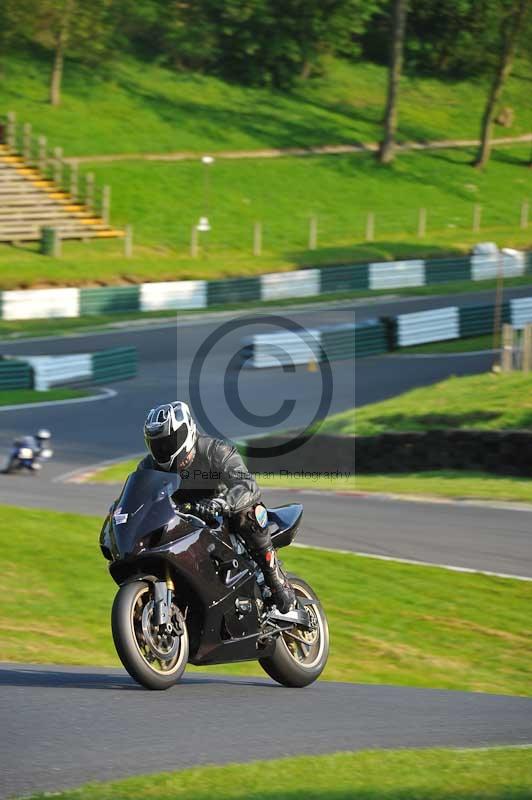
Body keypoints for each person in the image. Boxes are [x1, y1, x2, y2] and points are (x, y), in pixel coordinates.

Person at [137, 401, 295, 613]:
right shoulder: (149, 467)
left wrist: (222, 503)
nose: (163, 449)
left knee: (248, 515)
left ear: (186, 432)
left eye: (168, 442)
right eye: (158, 444)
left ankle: (274, 578)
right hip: (186, 521)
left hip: (224, 517)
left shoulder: (215, 451)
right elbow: (138, 498)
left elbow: (247, 485)